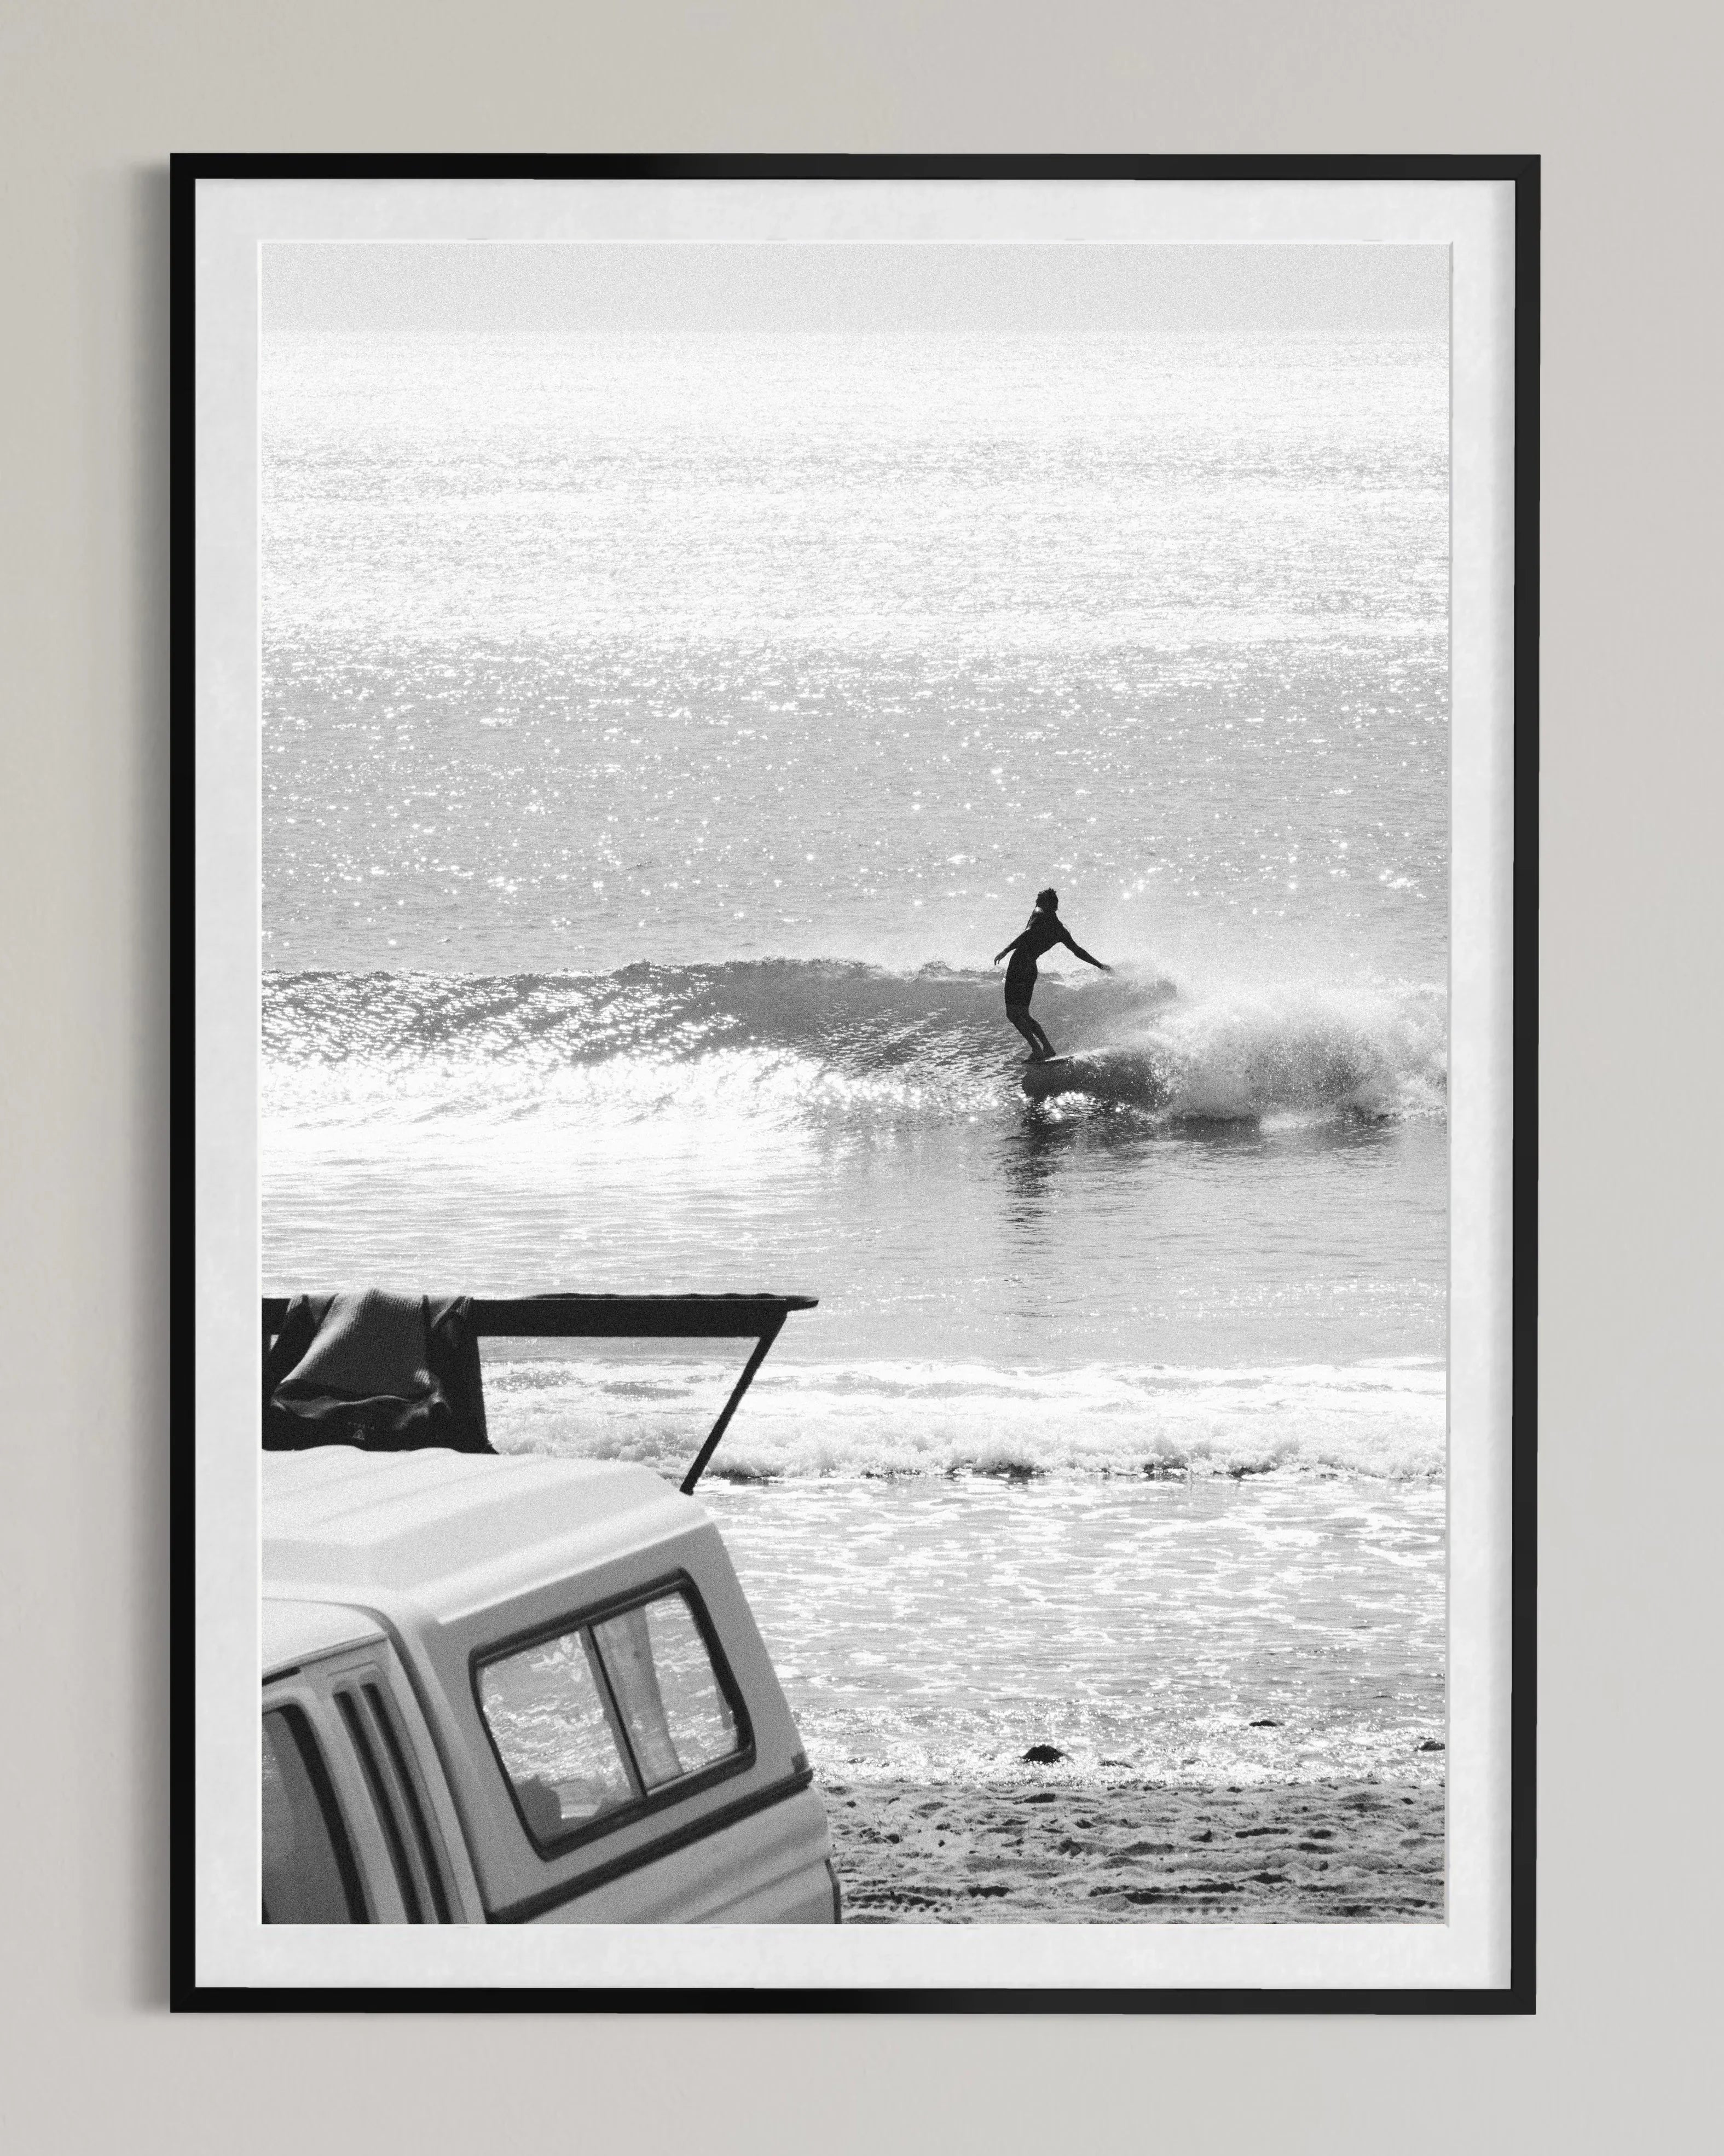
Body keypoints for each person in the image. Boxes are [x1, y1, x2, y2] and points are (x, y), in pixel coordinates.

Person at [993, 888, 1111, 1060]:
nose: (1036, 905)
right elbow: (1078, 951)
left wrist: (1005, 950)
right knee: (1024, 1014)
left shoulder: (1038, 914)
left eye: (1039, 902)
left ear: (1046, 904)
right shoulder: (1060, 930)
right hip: (1031, 968)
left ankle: (1037, 1050)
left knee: (1013, 1014)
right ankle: (1047, 1048)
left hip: (1019, 965)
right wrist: (1099, 965)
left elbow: (1027, 934)